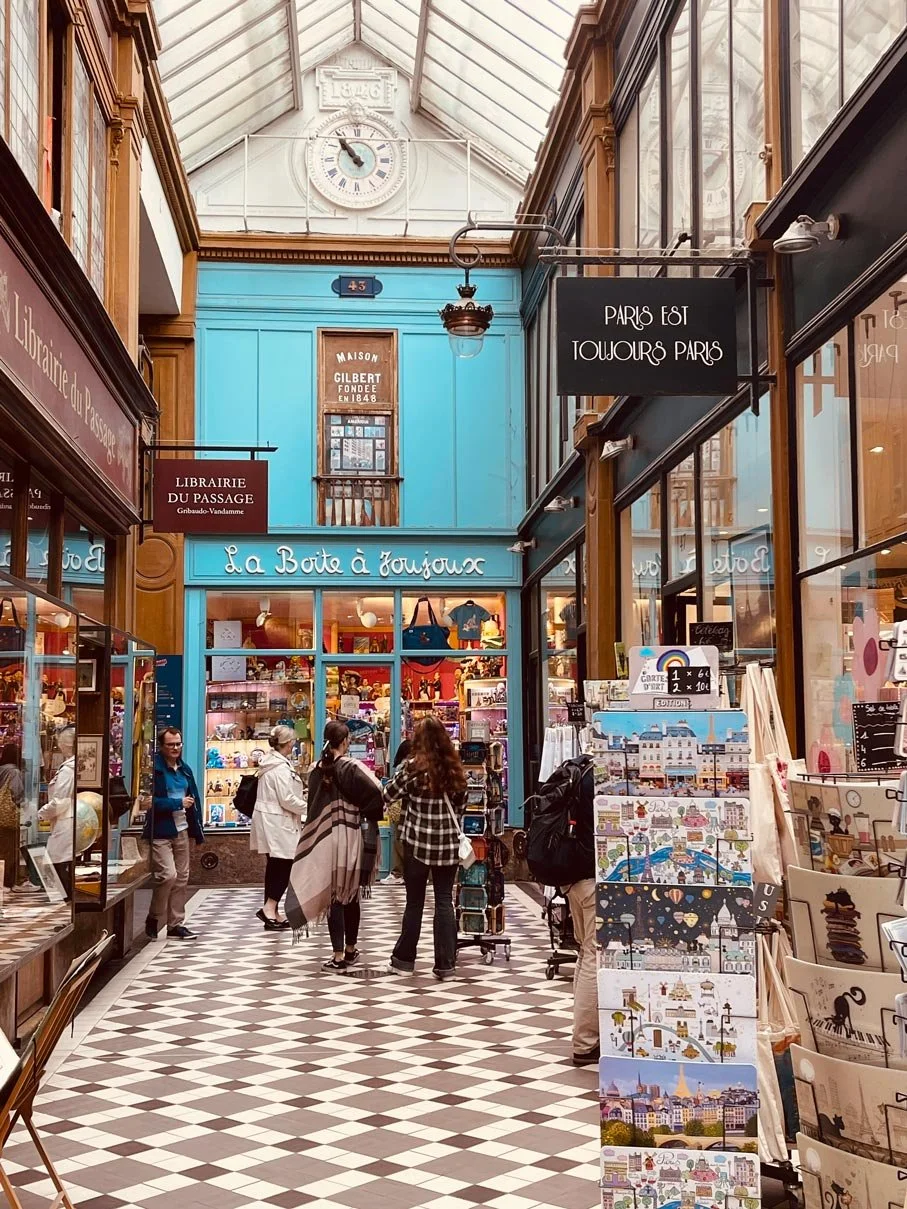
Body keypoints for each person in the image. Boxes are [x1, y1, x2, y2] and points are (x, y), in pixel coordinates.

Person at [285, 721, 383, 970]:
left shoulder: (316, 769)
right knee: (350, 895)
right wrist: (363, 810)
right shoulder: (351, 766)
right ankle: (350, 950)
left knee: (334, 898)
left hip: (325, 837)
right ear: (346, 741)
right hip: (350, 835)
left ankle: (338, 955)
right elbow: (377, 791)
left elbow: (312, 806)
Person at [383, 716, 466, 980]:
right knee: (444, 900)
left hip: (417, 843)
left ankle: (404, 960)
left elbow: (388, 795)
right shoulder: (453, 768)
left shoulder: (411, 768)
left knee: (414, 902)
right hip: (447, 844)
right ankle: (445, 964)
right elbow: (461, 807)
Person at [143, 728, 204, 940]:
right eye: (171, 744)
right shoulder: (155, 771)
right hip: (161, 830)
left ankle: (176, 924)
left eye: (178, 744)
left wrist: (197, 829)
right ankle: (154, 916)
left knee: (182, 878)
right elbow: (148, 802)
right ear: (161, 746)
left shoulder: (185, 770)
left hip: (182, 829)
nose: (175, 748)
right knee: (168, 876)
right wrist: (177, 803)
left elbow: (193, 797)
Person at [251, 724, 306, 930]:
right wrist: (309, 807)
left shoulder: (271, 762)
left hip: (272, 821)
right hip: (278, 822)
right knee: (284, 865)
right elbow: (286, 798)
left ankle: (272, 911)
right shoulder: (279, 767)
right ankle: (269, 907)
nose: (294, 745)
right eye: (292, 741)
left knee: (275, 867)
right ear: (288, 743)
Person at [562, 759, 598, 1066]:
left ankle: (584, 1035)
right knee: (593, 955)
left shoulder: (580, 770)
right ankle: (585, 1042)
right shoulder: (597, 777)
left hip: (574, 878)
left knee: (586, 954)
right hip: (591, 878)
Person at [38, 727, 75, 896]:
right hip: (68, 821)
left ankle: (66, 903)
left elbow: (60, 801)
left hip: (66, 821)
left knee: (55, 864)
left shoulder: (68, 770)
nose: (58, 745)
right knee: (59, 863)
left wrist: (41, 813)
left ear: (66, 744)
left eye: (60, 742)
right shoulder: (72, 766)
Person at [379, 739, 410, 885]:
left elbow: (389, 793)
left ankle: (398, 872)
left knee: (399, 840)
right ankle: (400, 872)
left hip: (399, 809)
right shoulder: (409, 767)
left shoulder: (403, 768)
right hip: (404, 810)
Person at [0, 743, 24, 888]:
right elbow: (17, 793)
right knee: (10, 850)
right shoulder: (14, 772)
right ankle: (8, 880)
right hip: (7, 817)